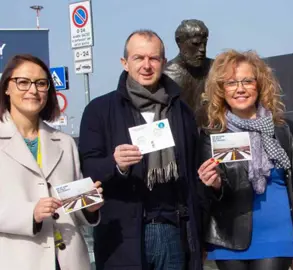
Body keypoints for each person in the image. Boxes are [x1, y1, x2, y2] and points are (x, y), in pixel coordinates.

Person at [79, 30, 203, 270]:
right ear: (125, 63)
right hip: (123, 236)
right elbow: (88, 170)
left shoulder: (181, 111)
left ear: (163, 63)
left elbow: (193, 174)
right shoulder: (99, 110)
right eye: (138, 58)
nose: (147, 65)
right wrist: (116, 164)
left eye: (154, 58)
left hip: (173, 231)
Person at [198, 50, 293, 270]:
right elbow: (207, 194)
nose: (240, 89)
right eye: (231, 83)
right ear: (221, 90)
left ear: (259, 85)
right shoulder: (212, 134)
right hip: (230, 234)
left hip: (277, 233)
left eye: (247, 81)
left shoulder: (286, 130)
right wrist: (214, 184)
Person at [0, 54, 102, 270]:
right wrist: (30, 214)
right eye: (23, 82)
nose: (33, 90)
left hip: (68, 260)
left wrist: (89, 207)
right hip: (16, 260)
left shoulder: (65, 143)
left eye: (41, 83)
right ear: (7, 87)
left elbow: (71, 203)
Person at [164, 19, 213, 125]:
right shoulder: (165, 76)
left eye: (204, 44)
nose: (202, 49)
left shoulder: (216, 69)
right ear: (179, 42)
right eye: (195, 44)